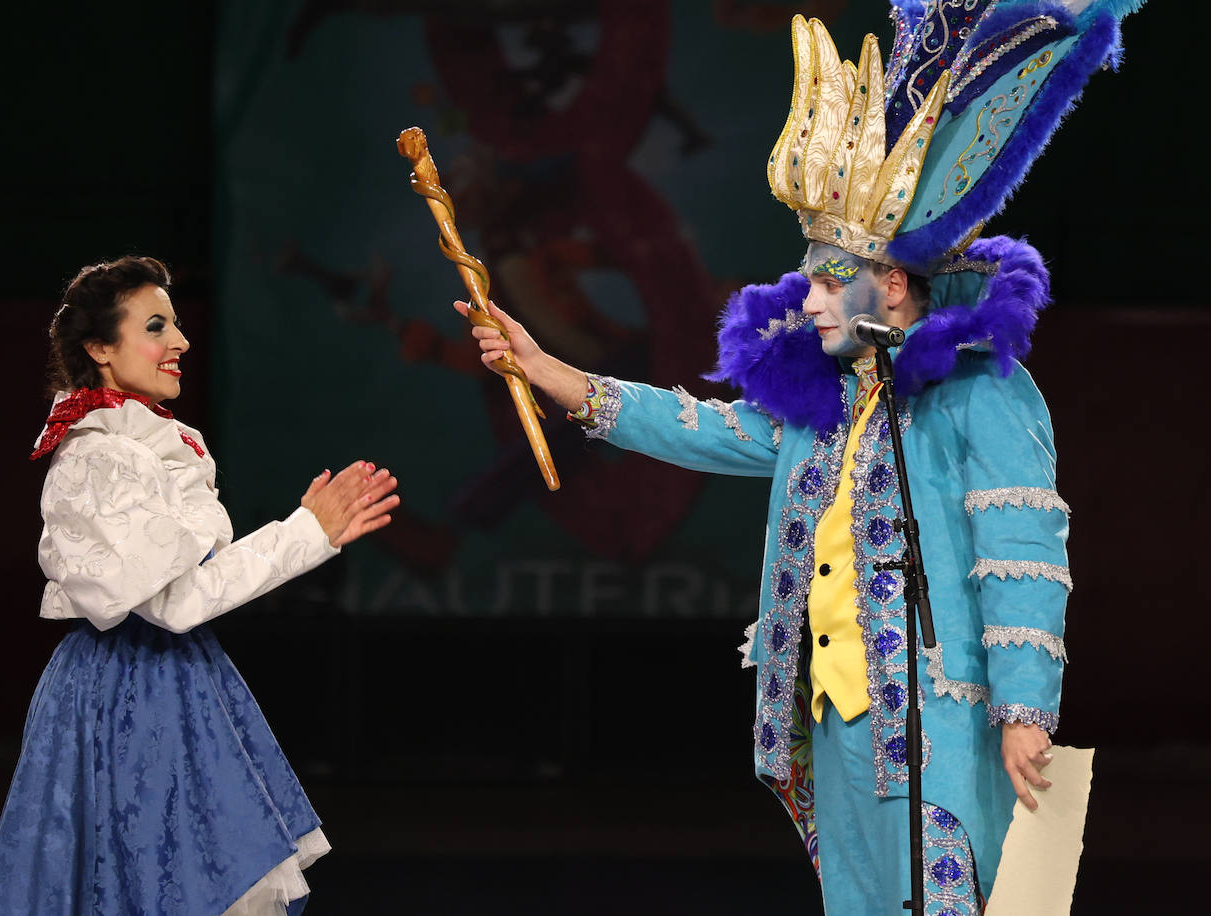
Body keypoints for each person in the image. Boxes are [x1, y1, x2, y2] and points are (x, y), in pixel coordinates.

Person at [454, 4, 1139, 912]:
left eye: (828, 278)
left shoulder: (981, 393)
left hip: (939, 722)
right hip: (838, 720)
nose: (807, 297)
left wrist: (1022, 714)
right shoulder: (823, 408)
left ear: (892, 283)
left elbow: (1024, 559)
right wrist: (548, 370)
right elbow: (701, 430)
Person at [0, 255, 399, 915]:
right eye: (155, 326)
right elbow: (176, 603)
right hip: (125, 692)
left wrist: (310, 533)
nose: (180, 341)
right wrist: (304, 533)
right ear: (100, 348)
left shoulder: (149, 445)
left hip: (176, 683)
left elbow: (188, 589)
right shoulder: (101, 458)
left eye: (175, 323)